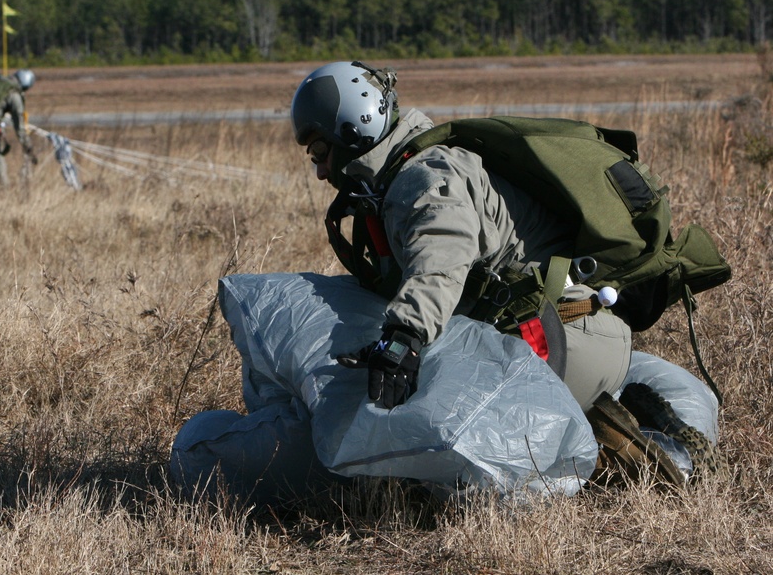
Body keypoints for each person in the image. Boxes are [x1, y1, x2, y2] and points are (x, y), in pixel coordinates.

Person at [290, 60, 711, 486]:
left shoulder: (425, 178)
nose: (321, 171)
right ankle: (596, 423)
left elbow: (441, 257)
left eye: (321, 153)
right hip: (566, 328)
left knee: (457, 445)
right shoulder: (405, 177)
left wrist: (403, 339)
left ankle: (620, 451)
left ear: (353, 128)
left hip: (557, 334)